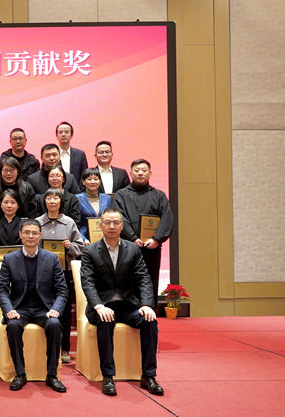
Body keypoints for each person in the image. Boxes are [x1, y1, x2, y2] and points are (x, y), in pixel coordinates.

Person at [80, 207, 162, 397]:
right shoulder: (90, 251)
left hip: (127, 306)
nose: (111, 226)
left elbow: (143, 278)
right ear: (101, 226)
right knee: (106, 320)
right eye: (107, 222)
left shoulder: (133, 249)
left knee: (150, 321)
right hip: (102, 306)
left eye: (116, 222)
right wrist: (98, 306)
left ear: (122, 226)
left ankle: (149, 376)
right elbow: (87, 282)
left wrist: (147, 305)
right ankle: (108, 376)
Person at [0, 220, 68, 392]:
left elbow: (62, 290)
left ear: (40, 236)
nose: (30, 236)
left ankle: (52, 375)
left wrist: (56, 309)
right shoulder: (9, 259)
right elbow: (2, 290)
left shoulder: (52, 258)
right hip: (19, 309)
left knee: (55, 324)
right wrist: (9, 310)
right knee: (13, 326)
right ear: (20, 235)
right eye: (27, 232)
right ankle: (20, 373)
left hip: (44, 309)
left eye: (34, 233)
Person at [35, 188, 85, 364]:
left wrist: (70, 246)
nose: (52, 201)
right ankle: (44, 347)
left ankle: (64, 349)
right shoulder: (37, 223)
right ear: (45, 201)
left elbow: (80, 247)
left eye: (56, 198)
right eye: (49, 198)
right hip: (41, 274)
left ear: (61, 202)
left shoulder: (69, 222)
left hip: (64, 273)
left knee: (64, 312)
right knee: (43, 308)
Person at [113, 159, 174, 300]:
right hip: (128, 247)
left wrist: (156, 239)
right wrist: (132, 238)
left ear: (150, 173)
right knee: (127, 282)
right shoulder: (121, 195)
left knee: (150, 281)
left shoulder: (159, 195)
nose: (140, 173)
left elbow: (167, 219)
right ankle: (129, 311)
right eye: (137, 170)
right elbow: (119, 218)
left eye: (144, 170)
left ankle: (149, 310)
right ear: (131, 173)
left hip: (151, 248)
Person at [0, 157, 34, 221]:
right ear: (0, 172)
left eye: (11, 170)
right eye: (5, 170)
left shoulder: (27, 188)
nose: (8, 173)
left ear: (18, 172)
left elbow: (33, 211)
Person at [76, 168, 113, 242]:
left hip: (105, 238)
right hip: (84, 238)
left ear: (100, 181)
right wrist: (83, 239)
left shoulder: (107, 198)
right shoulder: (77, 198)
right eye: (89, 179)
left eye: (96, 179)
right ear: (83, 182)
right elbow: (75, 223)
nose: (92, 182)